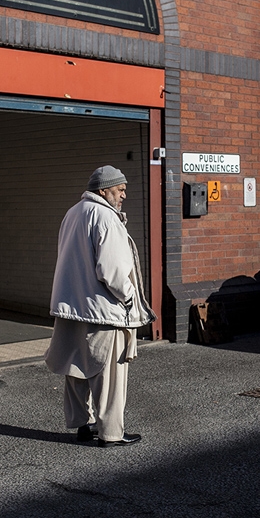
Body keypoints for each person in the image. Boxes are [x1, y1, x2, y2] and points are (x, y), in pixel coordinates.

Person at [44, 165, 156, 448]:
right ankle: (111, 434)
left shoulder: (73, 213)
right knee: (109, 374)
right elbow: (112, 270)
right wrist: (129, 296)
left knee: (76, 367)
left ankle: (83, 424)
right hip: (103, 309)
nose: (124, 195)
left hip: (72, 306)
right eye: (120, 190)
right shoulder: (106, 217)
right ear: (103, 190)